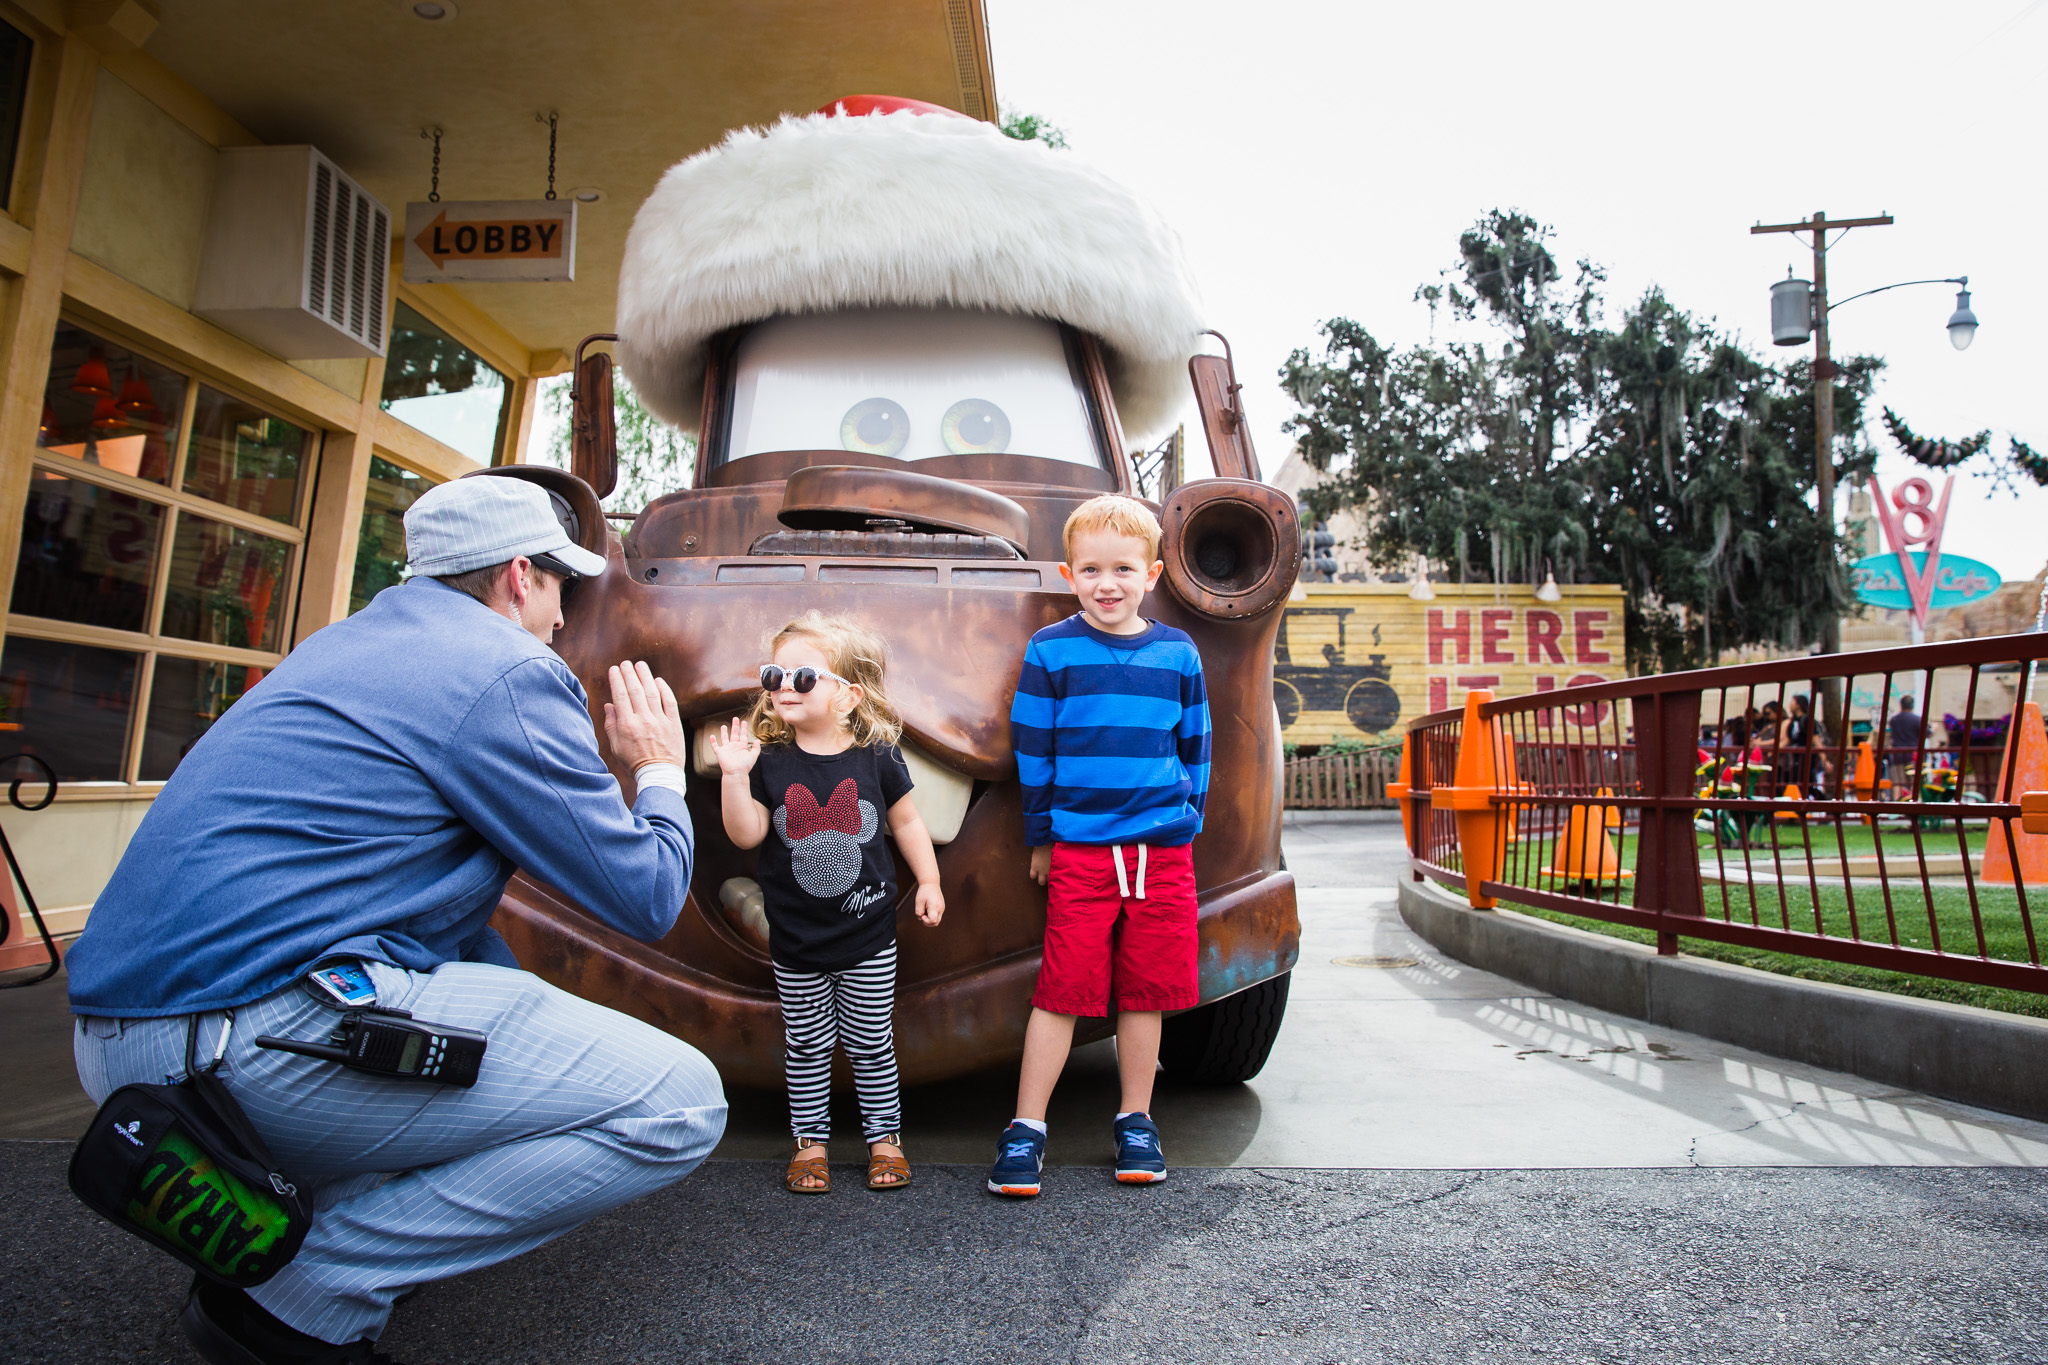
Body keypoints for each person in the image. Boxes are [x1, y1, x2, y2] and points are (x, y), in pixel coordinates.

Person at [65, 474, 725, 1365]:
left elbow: (441, 926)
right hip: (243, 1038)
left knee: (486, 986)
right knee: (676, 1102)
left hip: (119, 1045)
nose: (566, 617)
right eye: (562, 587)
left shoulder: (338, 648)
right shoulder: (506, 670)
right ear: (518, 577)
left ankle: (287, 1221)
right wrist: (658, 770)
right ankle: (301, 1291)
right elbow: (645, 895)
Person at [989, 494, 1211, 1198]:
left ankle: (1136, 1119)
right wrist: (1043, 835)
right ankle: (1026, 1127)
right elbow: (1034, 749)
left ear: (1152, 573)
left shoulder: (1177, 653)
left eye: (1122, 567)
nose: (1106, 582)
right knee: (1061, 988)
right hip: (1081, 851)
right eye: (1091, 568)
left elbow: (1196, 744)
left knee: (1144, 992)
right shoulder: (1052, 649)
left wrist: (1187, 820)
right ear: (1068, 572)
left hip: (1162, 852)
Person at [707, 611, 944, 1195]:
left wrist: (931, 882)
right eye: (774, 674)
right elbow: (746, 835)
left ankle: (885, 1141)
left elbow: (908, 822)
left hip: (867, 933)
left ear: (847, 695)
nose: (784, 685)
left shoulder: (877, 757)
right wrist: (735, 777)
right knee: (807, 1047)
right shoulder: (769, 760)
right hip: (797, 937)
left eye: (804, 676)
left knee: (870, 1042)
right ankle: (809, 1145)